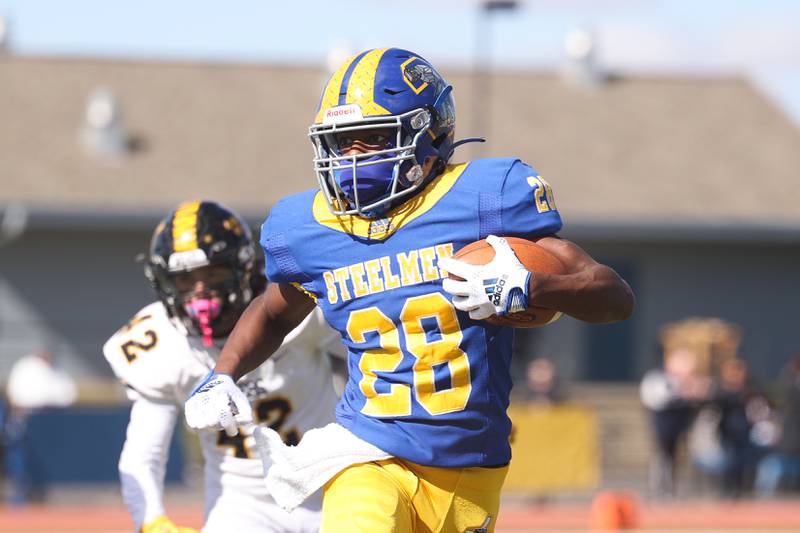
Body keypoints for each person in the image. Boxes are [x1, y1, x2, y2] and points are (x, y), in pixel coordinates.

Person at [184, 48, 635, 532]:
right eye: (342, 143)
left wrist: (531, 285)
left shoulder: (484, 199)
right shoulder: (311, 230)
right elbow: (274, 311)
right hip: (366, 448)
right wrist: (223, 372)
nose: (353, 159)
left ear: (430, 133)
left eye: (372, 138)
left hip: (469, 467)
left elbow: (615, 297)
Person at [103, 200, 344, 533]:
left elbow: (368, 357)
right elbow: (144, 453)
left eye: (214, 273)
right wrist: (152, 522)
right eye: (185, 279)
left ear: (244, 268)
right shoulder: (160, 342)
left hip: (331, 483)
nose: (201, 291)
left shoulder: (291, 306)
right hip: (242, 507)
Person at [5, 348, 77, 505]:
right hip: (26, 417)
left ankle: (40, 493)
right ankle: (19, 495)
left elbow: (68, 395)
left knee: (46, 460)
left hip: (50, 420)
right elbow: (17, 395)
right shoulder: (26, 367)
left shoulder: (57, 372)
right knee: (21, 458)